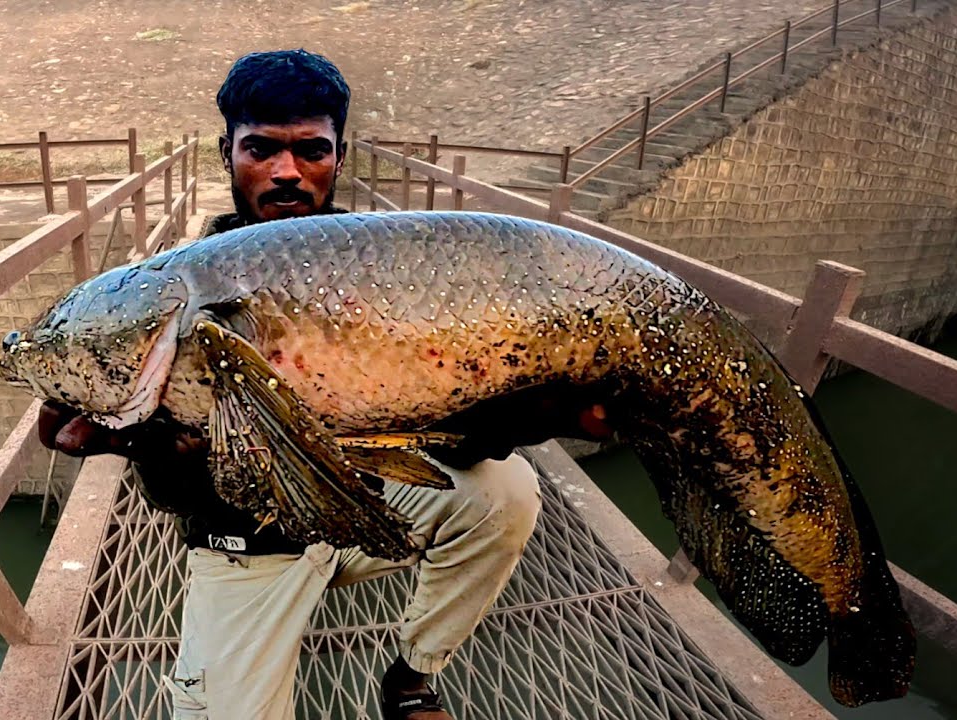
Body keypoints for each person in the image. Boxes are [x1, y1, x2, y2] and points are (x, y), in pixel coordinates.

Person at [36, 49, 611, 720]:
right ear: (227, 153)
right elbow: (162, 488)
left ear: (341, 156)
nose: (286, 172)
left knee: (507, 490)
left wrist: (481, 423)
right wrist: (154, 446)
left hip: (364, 510)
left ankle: (412, 675)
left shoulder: (389, 271)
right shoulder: (164, 297)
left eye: (311, 150)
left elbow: (442, 435)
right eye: (262, 150)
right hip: (247, 547)